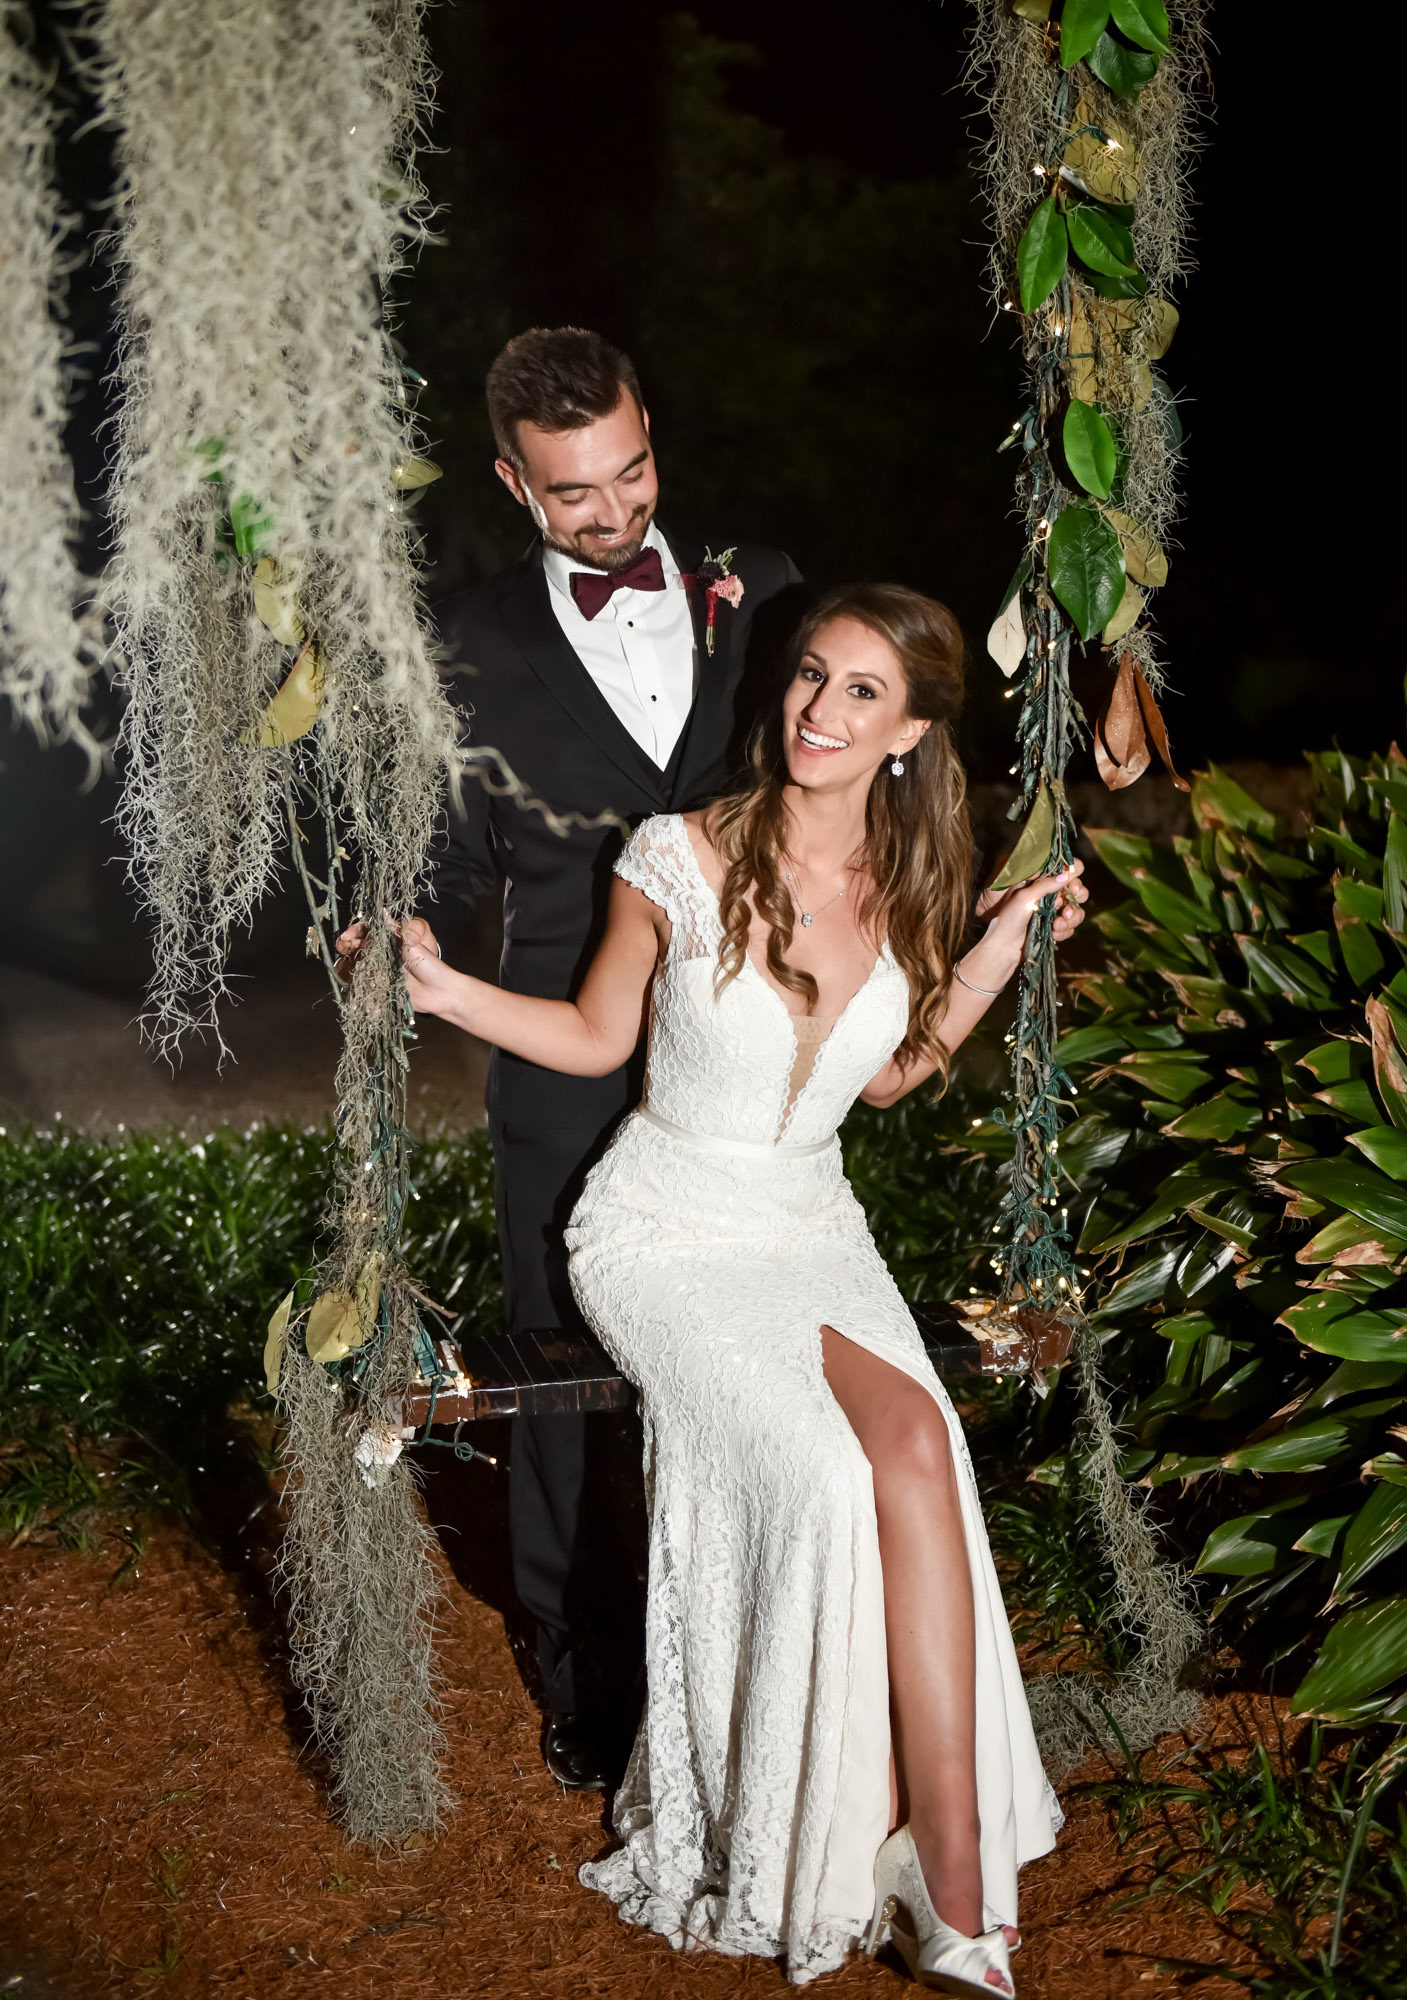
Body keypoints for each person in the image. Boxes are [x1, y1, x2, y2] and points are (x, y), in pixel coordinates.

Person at [344, 582, 1085, 1990]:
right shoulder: (679, 854)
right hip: (667, 1225)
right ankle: (818, 1824)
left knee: (925, 1452)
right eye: (811, 676)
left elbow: (891, 1076)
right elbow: (587, 1032)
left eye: (862, 692)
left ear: (913, 732)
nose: (818, 710)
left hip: (811, 1220)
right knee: (818, 1475)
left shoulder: (917, 882)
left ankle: (955, 1879)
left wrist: (992, 949)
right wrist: (440, 992)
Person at [426, 327, 802, 1790]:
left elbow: (839, 768)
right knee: (568, 1368)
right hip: (559, 1054)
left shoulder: (757, 590)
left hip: (740, 1042)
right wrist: (392, 927)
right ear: (517, 488)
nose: (615, 511)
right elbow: (444, 851)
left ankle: (747, 1633)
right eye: (576, 494)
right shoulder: (460, 643)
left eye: (633, 470)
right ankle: (579, 1662)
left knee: (747, 1345)